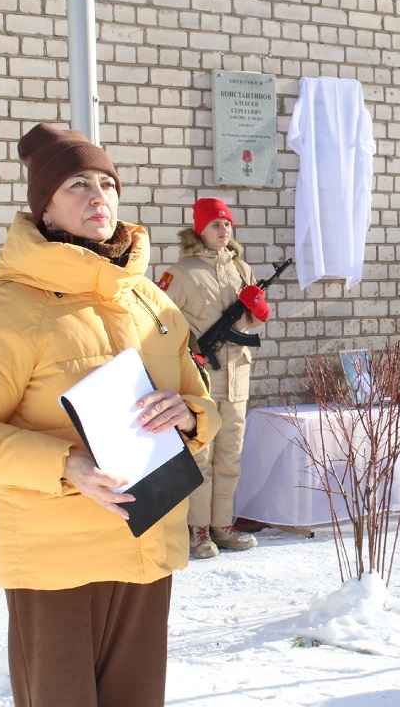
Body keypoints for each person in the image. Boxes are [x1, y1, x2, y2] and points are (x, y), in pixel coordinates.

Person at [0, 123, 221, 707]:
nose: (98, 197)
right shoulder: (10, 309)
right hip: (54, 560)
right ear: (46, 207)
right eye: (77, 184)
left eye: (107, 183)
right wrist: (66, 465)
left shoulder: (150, 301)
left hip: (146, 548)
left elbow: (199, 400)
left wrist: (190, 416)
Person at [158, 198, 269, 559]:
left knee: (230, 454)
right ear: (200, 230)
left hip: (237, 374)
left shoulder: (241, 270)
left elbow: (253, 322)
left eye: (228, 224)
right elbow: (159, 321)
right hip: (200, 376)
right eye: (216, 225)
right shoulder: (182, 272)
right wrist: (189, 353)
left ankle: (223, 525)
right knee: (199, 454)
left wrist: (258, 307)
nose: (224, 230)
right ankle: (198, 529)